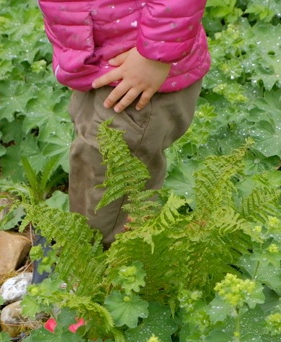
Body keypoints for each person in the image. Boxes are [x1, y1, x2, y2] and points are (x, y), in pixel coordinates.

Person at [37, 0, 211, 249]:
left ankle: (109, 261)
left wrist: (154, 54)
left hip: (143, 73)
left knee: (117, 179)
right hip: (95, 61)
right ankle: (81, 242)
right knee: (89, 156)